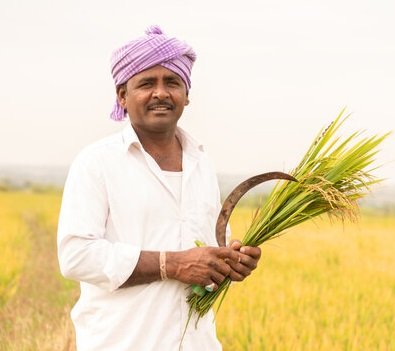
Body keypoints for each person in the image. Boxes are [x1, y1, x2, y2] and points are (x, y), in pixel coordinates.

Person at [57, 25, 261, 351]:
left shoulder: (201, 164)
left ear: (187, 94)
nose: (161, 93)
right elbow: (76, 256)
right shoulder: (96, 162)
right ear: (122, 96)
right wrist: (173, 264)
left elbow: (206, 254)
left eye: (172, 82)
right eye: (146, 83)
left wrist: (230, 261)